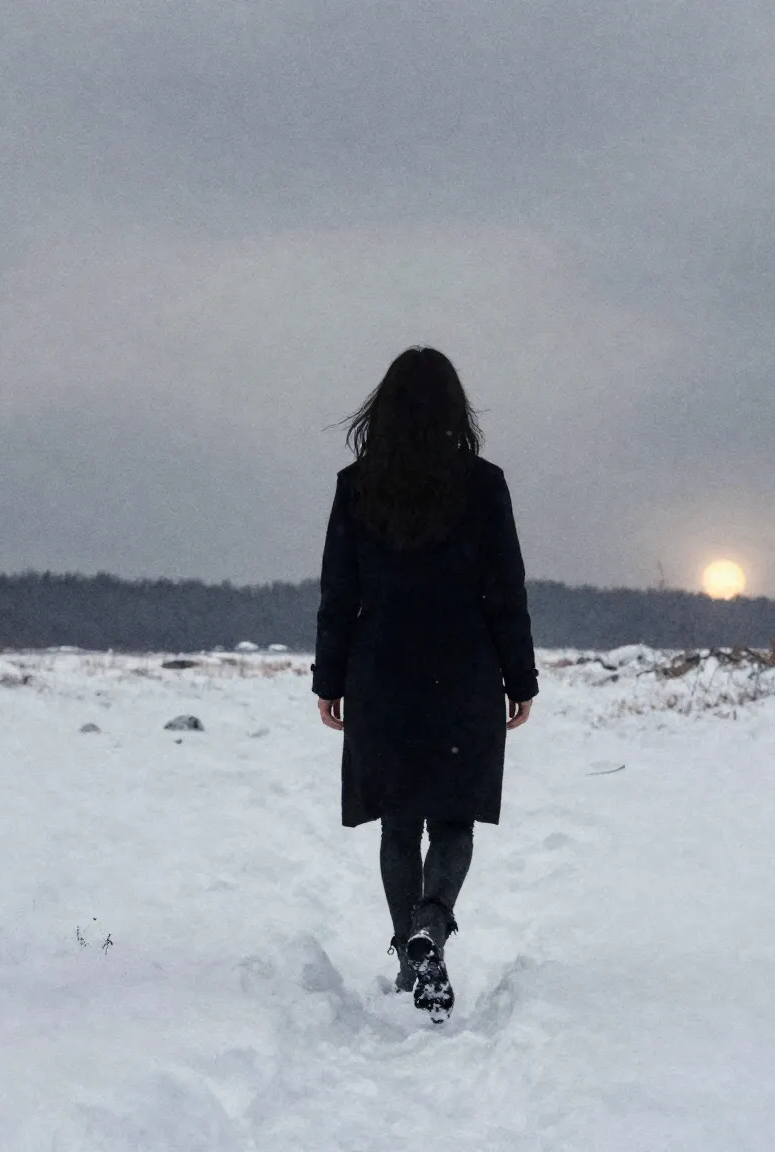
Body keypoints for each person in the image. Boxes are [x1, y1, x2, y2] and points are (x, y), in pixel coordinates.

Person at [311, 346, 538, 1023]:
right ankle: (431, 926)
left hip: (382, 672)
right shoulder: (484, 484)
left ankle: (413, 964)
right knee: (454, 817)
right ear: (453, 409)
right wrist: (520, 677)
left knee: (398, 822)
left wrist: (329, 678)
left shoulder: (357, 486)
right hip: (462, 671)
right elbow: (506, 590)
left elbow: (339, 593)